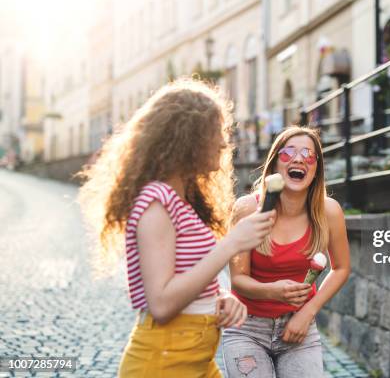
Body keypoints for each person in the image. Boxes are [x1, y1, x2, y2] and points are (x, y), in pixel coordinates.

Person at [78, 78, 276, 377]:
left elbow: (186, 276)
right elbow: (161, 303)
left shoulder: (182, 201)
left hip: (194, 359)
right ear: (187, 139)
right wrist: (231, 244)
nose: (224, 143)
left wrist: (219, 298)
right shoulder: (156, 203)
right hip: (163, 362)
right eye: (215, 132)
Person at [222, 126, 351, 378]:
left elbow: (341, 268)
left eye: (308, 154)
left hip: (298, 328)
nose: (299, 158)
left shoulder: (329, 212)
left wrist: (307, 312)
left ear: (315, 170)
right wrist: (273, 291)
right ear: (273, 167)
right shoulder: (247, 209)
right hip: (246, 328)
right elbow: (237, 280)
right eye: (288, 152)